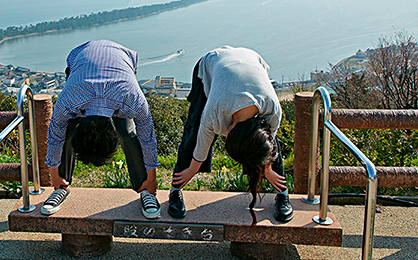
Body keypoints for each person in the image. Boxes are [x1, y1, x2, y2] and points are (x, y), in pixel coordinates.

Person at [168, 46, 293, 225]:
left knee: (265, 144)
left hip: (252, 61)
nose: (225, 135)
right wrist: (192, 169)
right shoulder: (214, 110)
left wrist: (268, 170)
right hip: (212, 62)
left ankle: (282, 194)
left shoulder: (272, 110)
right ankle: (175, 191)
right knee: (193, 131)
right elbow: (203, 142)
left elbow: (268, 145)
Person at [42, 39, 161, 219]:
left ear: (112, 127)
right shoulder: (69, 101)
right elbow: (54, 136)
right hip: (80, 56)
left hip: (123, 58)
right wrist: (54, 176)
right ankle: (61, 186)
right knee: (66, 132)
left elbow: (147, 137)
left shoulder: (131, 99)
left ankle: (146, 190)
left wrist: (152, 178)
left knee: (128, 133)